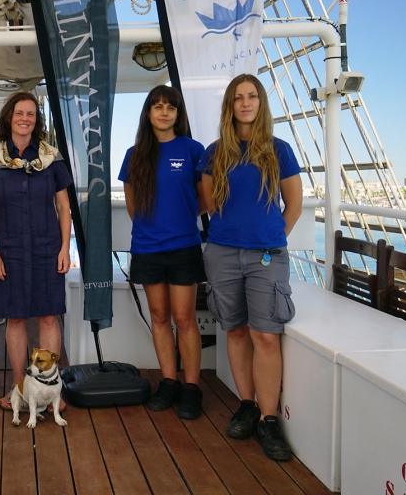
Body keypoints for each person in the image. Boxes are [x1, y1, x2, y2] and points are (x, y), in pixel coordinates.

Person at [196, 73, 303, 461]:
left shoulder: (279, 150)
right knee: (236, 332)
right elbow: (207, 205)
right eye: (238, 97)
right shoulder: (214, 152)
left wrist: (272, 236)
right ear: (230, 105)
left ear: (260, 103)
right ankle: (247, 404)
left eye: (252, 96)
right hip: (222, 254)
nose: (245, 102)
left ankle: (268, 419)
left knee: (266, 336)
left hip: (266, 256)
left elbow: (293, 204)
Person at [0, 92, 72, 410]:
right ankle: (19, 390)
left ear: (36, 120)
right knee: (15, 319)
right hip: (9, 250)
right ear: (9, 117)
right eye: (20, 113)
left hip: (46, 249)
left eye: (31, 114)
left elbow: (63, 207)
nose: (25, 118)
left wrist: (63, 248)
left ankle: (50, 393)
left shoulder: (52, 157)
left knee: (48, 317)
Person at [117, 85, 207, 419]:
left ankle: (191, 387)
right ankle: (169, 382)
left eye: (170, 107)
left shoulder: (194, 150)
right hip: (147, 247)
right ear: (148, 113)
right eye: (157, 106)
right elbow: (132, 203)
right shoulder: (135, 153)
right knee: (159, 318)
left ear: (178, 113)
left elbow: (206, 198)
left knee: (184, 318)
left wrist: (181, 219)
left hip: (184, 246)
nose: (164, 112)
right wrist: (153, 227)